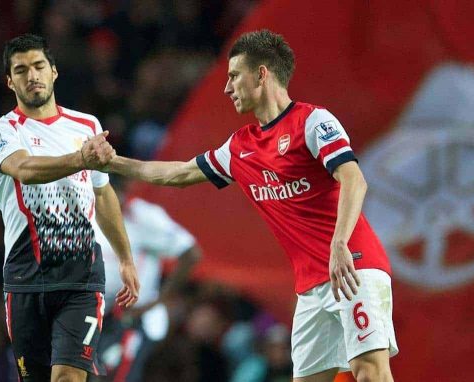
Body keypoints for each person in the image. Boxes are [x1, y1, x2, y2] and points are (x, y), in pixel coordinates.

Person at [99, 30, 398, 382]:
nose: (227, 88)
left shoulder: (313, 121)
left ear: (261, 74)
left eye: (233, 76)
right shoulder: (241, 147)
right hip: (311, 287)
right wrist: (112, 162)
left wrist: (339, 244)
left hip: (353, 266)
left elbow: (354, 179)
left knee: (370, 373)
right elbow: (177, 173)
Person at [0, 34, 140, 382]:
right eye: (20, 70)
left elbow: (103, 194)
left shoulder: (87, 126)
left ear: (54, 72)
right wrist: (81, 158)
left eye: (38, 66)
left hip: (81, 276)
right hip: (25, 277)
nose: (31, 75)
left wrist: (125, 258)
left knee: (68, 376)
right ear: (10, 81)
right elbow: (26, 170)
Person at [92, 179, 201, 381]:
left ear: (125, 189)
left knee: (119, 375)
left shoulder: (144, 217)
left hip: (133, 317)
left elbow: (191, 253)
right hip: (95, 314)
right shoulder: (88, 214)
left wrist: (158, 301)